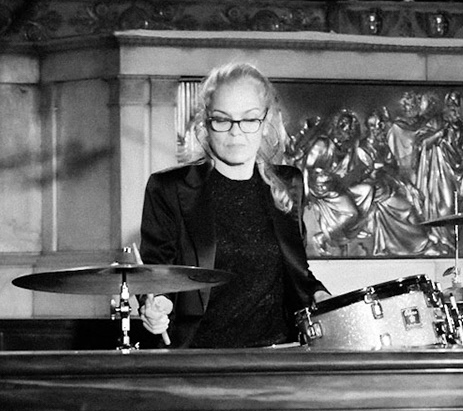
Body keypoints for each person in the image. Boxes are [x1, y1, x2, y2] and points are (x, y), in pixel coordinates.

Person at [140, 61, 329, 347]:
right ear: (206, 122)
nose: (235, 131)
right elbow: (156, 277)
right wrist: (157, 306)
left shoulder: (289, 184)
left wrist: (322, 296)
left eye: (249, 119)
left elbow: (296, 274)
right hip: (199, 361)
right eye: (222, 119)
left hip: (280, 356)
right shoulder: (168, 189)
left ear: (266, 123)